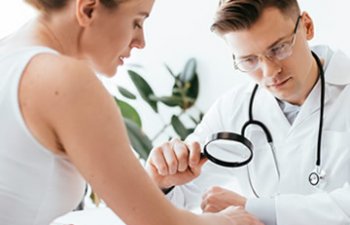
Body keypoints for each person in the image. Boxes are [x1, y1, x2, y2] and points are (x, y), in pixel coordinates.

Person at [0, 0, 264, 225]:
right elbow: (159, 222)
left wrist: (158, 185)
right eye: (137, 22)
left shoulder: (8, 52)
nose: (141, 42)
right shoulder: (64, 79)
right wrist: (230, 220)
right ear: (89, 9)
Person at [145, 0, 350, 225]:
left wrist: (251, 208)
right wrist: (163, 183)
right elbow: (175, 202)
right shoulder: (233, 109)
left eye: (279, 48)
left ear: (307, 26)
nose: (270, 71)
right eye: (249, 60)